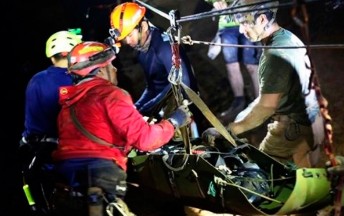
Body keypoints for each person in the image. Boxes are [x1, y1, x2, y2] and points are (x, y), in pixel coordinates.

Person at [52, 41, 192, 215]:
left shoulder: (67, 107)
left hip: (66, 180)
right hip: (102, 175)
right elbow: (146, 139)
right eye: (111, 64)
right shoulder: (111, 94)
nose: (115, 69)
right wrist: (174, 121)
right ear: (100, 70)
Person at [202, 0, 325, 168]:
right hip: (313, 121)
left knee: (263, 174)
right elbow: (265, 99)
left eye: (244, 23)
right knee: (307, 182)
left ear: (261, 20)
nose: (241, 30)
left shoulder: (274, 56)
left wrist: (229, 131)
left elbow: (265, 107)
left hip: (294, 131)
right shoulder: (287, 37)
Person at [109, 2, 206, 136]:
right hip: (163, 109)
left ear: (143, 26)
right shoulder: (142, 48)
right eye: (125, 39)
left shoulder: (164, 47)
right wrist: (136, 108)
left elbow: (183, 86)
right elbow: (153, 86)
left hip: (184, 110)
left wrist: (146, 110)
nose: (128, 42)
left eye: (130, 35)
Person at [18, 30, 82, 213]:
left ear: (52, 57)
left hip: (50, 153)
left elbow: (32, 124)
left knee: (29, 177)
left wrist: (26, 139)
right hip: (84, 150)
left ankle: (39, 208)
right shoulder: (85, 78)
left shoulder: (37, 81)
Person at [205, 0, 261, 124]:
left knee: (252, 65)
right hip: (227, 26)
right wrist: (215, 1)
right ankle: (239, 103)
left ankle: (260, 103)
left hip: (248, 22)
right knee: (232, 66)